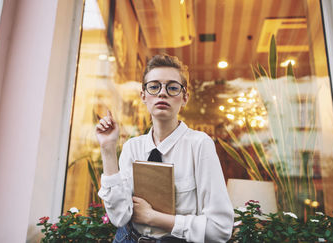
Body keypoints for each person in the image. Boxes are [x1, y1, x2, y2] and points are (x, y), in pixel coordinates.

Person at [96, 54, 234, 243]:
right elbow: (119, 217)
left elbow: (220, 229)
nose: (162, 93)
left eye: (172, 87)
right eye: (154, 86)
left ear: (185, 98)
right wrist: (108, 149)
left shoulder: (199, 145)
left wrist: (153, 217)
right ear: (143, 96)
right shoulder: (132, 147)